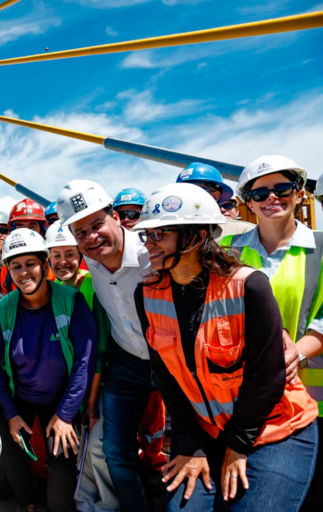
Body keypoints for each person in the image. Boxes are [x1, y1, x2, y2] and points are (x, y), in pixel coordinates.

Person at [133, 182, 318, 509]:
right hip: (205, 431)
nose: (149, 245)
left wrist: (237, 446)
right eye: (146, 235)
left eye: (160, 234)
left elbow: (269, 376)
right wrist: (190, 445)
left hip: (273, 429)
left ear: (196, 237)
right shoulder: (147, 294)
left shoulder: (248, 286)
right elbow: (165, 376)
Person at [221, 155, 323, 511]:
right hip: (250, 397)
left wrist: (298, 351)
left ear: (298, 194)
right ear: (247, 202)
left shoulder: (321, 249)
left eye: (282, 188)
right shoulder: (229, 253)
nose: (271, 198)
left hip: (312, 394)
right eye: (259, 192)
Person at [58, 179, 165, 511]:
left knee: (196, 446)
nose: (91, 237)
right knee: (117, 455)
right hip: (127, 363)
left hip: (173, 364)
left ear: (116, 217)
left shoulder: (154, 256)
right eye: (80, 233)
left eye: (96, 224)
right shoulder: (90, 262)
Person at [0, 228, 96, 511]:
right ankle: (29, 503)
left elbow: (85, 361)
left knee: (60, 458)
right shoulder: (2, 310)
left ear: (45, 265)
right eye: (16, 266)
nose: (24, 273)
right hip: (21, 397)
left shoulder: (71, 301)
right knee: (11, 453)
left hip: (61, 398)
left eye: (31, 264)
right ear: (8, 271)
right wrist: (11, 415)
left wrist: (65, 415)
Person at [45, 222, 118, 511]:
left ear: (80, 256)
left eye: (70, 254)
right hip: (67, 385)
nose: (64, 262)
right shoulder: (48, 290)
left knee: (98, 447)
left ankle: (106, 504)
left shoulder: (92, 286)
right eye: (57, 255)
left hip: (96, 382)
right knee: (77, 450)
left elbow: (99, 350)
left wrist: (90, 402)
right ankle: (84, 501)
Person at [176, 162, 253, 239]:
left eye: (196, 191)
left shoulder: (246, 232)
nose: (187, 197)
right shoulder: (170, 233)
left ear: (216, 196)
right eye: (183, 192)